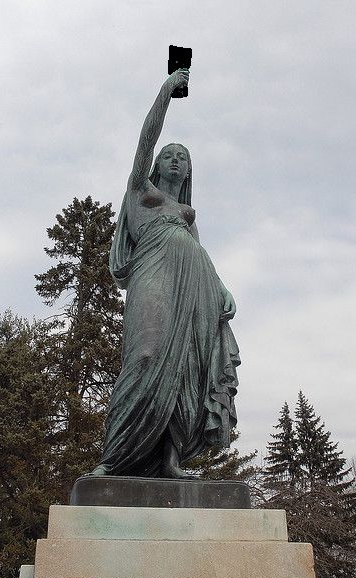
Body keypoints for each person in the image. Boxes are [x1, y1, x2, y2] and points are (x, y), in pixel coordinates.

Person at [92, 69, 240, 478]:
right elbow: (145, 139)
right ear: (156, 164)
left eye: (183, 157)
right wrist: (166, 94)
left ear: (189, 172)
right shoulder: (141, 191)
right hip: (153, 276)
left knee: (188, 365)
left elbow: (198, 251)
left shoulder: (188, 215)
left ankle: (171, 461)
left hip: (193, 287)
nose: (175, 159)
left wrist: (221, 287)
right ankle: (114, 457)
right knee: (146, 354)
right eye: (169, 155)